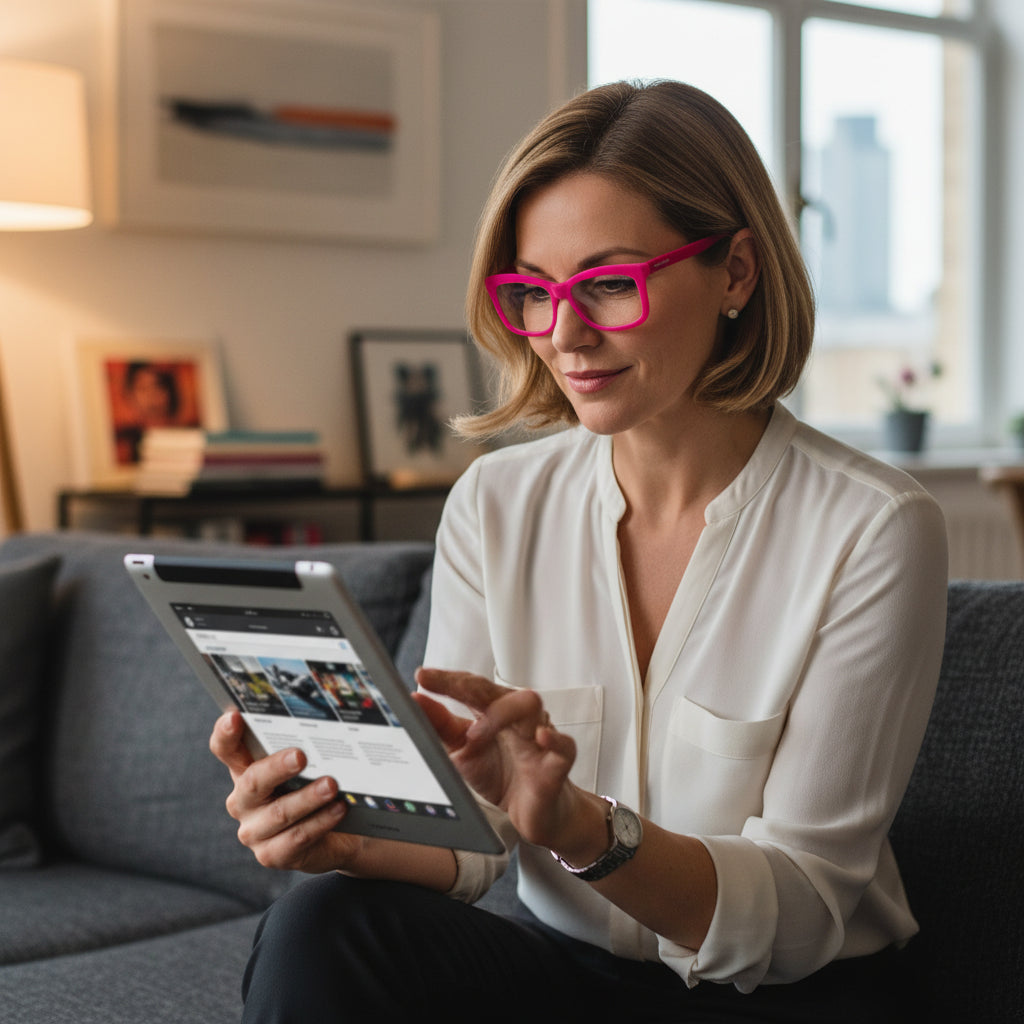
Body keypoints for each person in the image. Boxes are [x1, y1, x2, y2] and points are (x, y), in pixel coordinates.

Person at [210, 80, 948, 1022]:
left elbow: (799, 917)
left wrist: (579, 827)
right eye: (534, 291)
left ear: (736, 273)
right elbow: (476, 837)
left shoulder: (875, 528)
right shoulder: (496, 503)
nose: (564, 334)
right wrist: (338, 841)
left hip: (787, 995)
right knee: (325, 922)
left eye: (608, 282)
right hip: (573, 977)